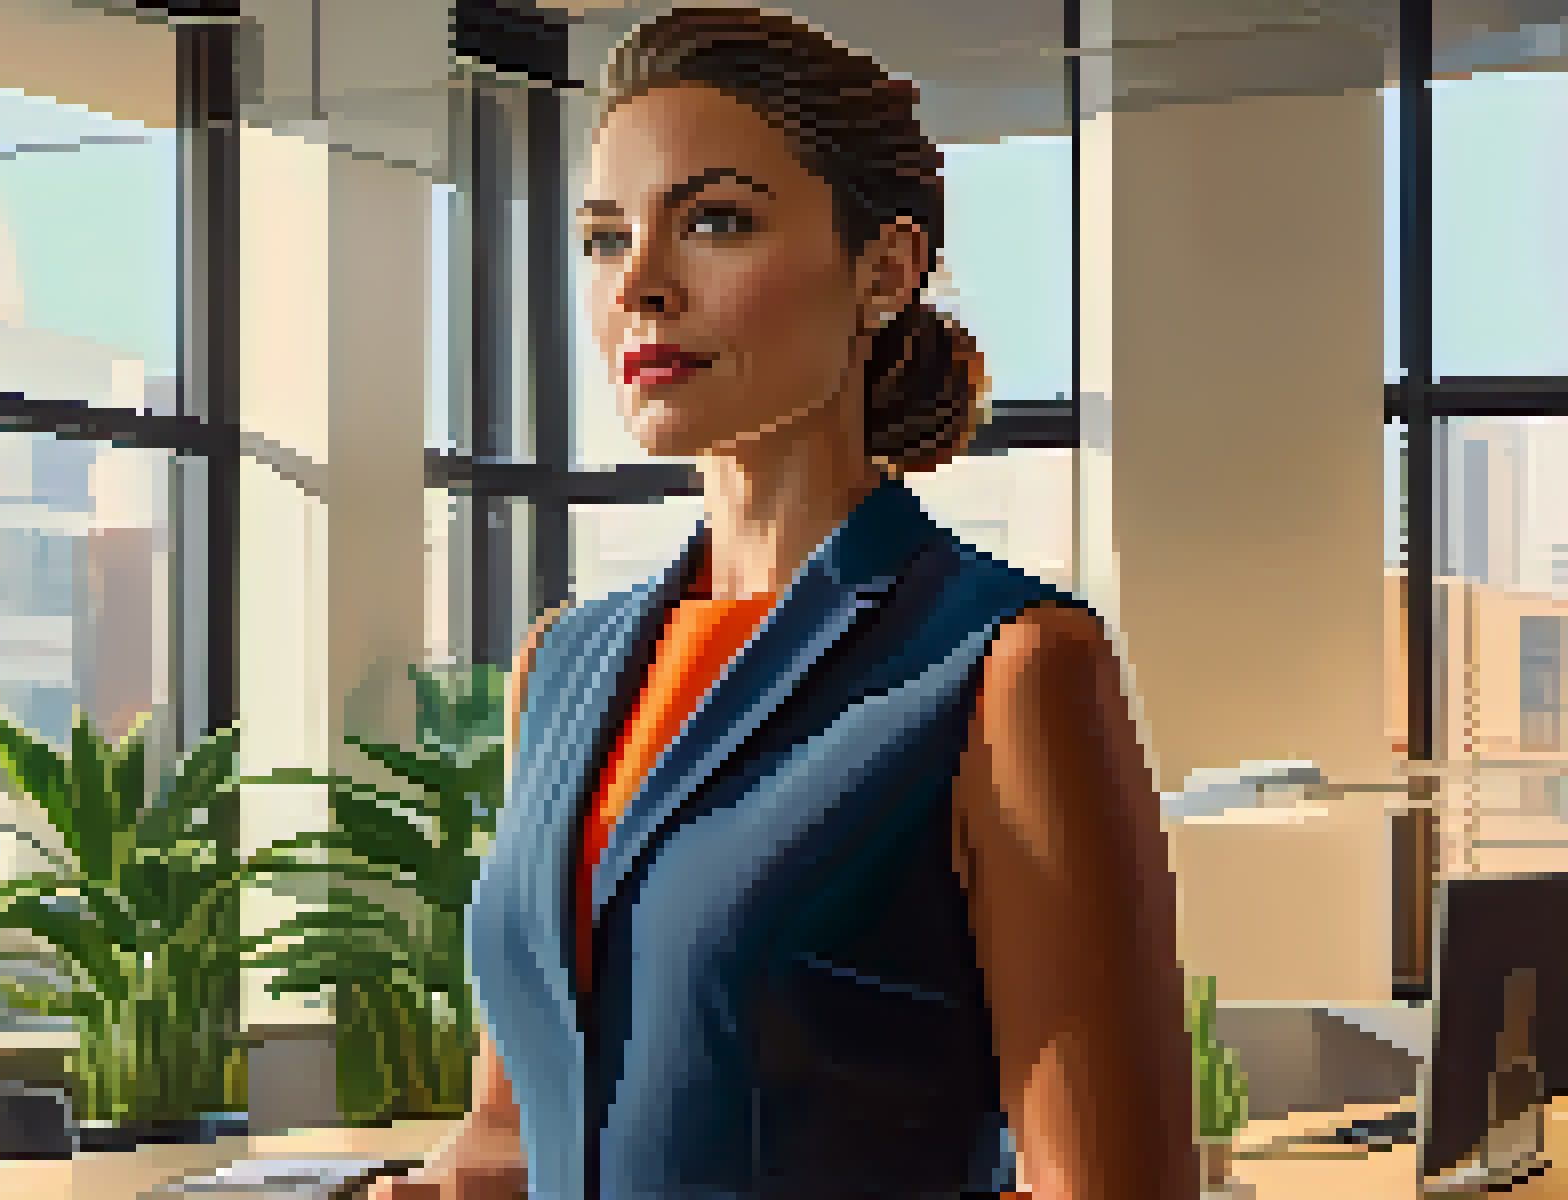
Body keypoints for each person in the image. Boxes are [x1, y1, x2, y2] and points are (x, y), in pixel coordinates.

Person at [368, 7, 1195, 1198]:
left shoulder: (1005, 665)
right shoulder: (563, 664)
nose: (641, 284)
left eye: (714, 221)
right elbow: (509, 1139)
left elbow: (1107, 1191)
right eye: (605, 238)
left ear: (885, 269)